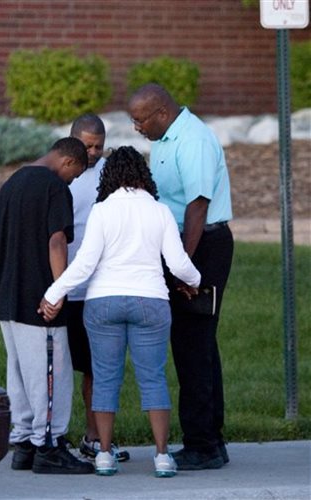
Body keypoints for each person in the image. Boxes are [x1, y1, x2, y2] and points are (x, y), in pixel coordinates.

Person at [38, 146, 201, 478]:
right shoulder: (159, 211)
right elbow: (178, 263)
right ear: (144, 174)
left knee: (105, 378)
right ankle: (161, 456)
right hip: (151, 301)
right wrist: (195, 281)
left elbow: (84, 264)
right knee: (153, 377)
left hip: (103, 302)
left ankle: (104, 455)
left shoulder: (102, 211)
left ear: (107, 175)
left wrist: (53, 293)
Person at [128, 83, 234, 470]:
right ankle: (211, 441)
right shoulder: (166, 137)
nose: (137, 127)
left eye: (140, 120)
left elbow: (197, 206)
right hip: (183, 246)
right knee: (197, 344)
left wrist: (184, 269)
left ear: (161, 113)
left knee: (194, 344)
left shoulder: (193, 139)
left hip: (202, 246)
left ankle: (203, 445)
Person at [0, 137, 94, 475]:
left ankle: (23, 444)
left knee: (18, 372)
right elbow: (56, 239)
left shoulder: (12, 183)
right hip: (38, 300)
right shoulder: (53, 187)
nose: (72, 181)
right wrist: (58, 291)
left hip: (6, 296)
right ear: (69, 162)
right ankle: (48, 444)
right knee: (51, 373)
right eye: (75, 175)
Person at [67, 113, 129, 462]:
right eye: (87, 145)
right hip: (69, 288)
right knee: (61, 369)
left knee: (97, 370)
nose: (92, 152)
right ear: (72, 140)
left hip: (102, 289)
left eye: (98, 146)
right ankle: (47, 440)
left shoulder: (111, 176)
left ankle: (95, 439)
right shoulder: (60, 176)